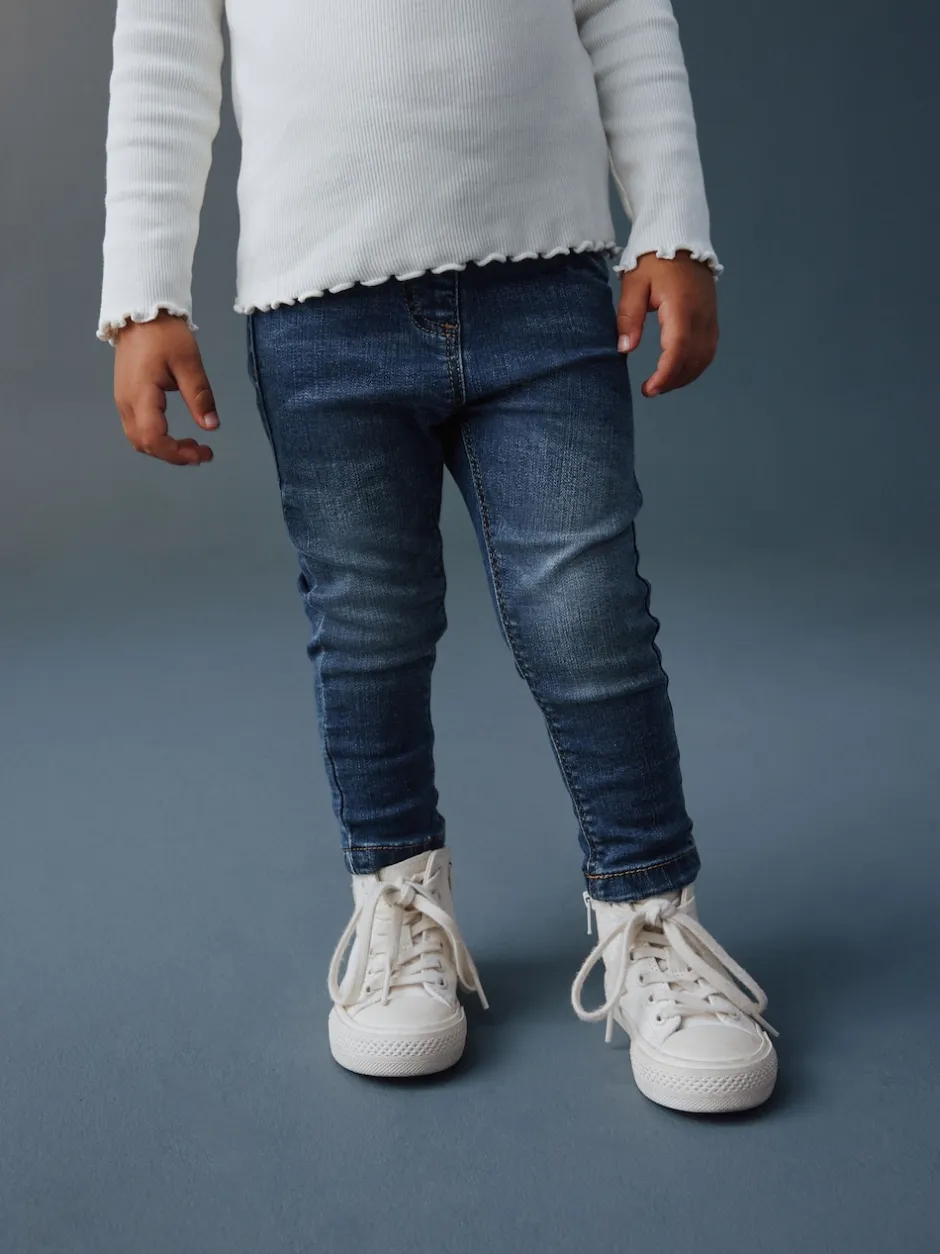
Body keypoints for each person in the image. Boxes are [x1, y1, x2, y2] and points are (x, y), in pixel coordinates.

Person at [98, 0, 778, 1114]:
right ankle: (398, 902)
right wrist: (144, 295)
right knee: (370, 623)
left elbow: (623, 10)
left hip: (545, 289)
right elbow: (163, 58)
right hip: (321, 316)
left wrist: (671, 224)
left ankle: (651, 912)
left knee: (588, 612)